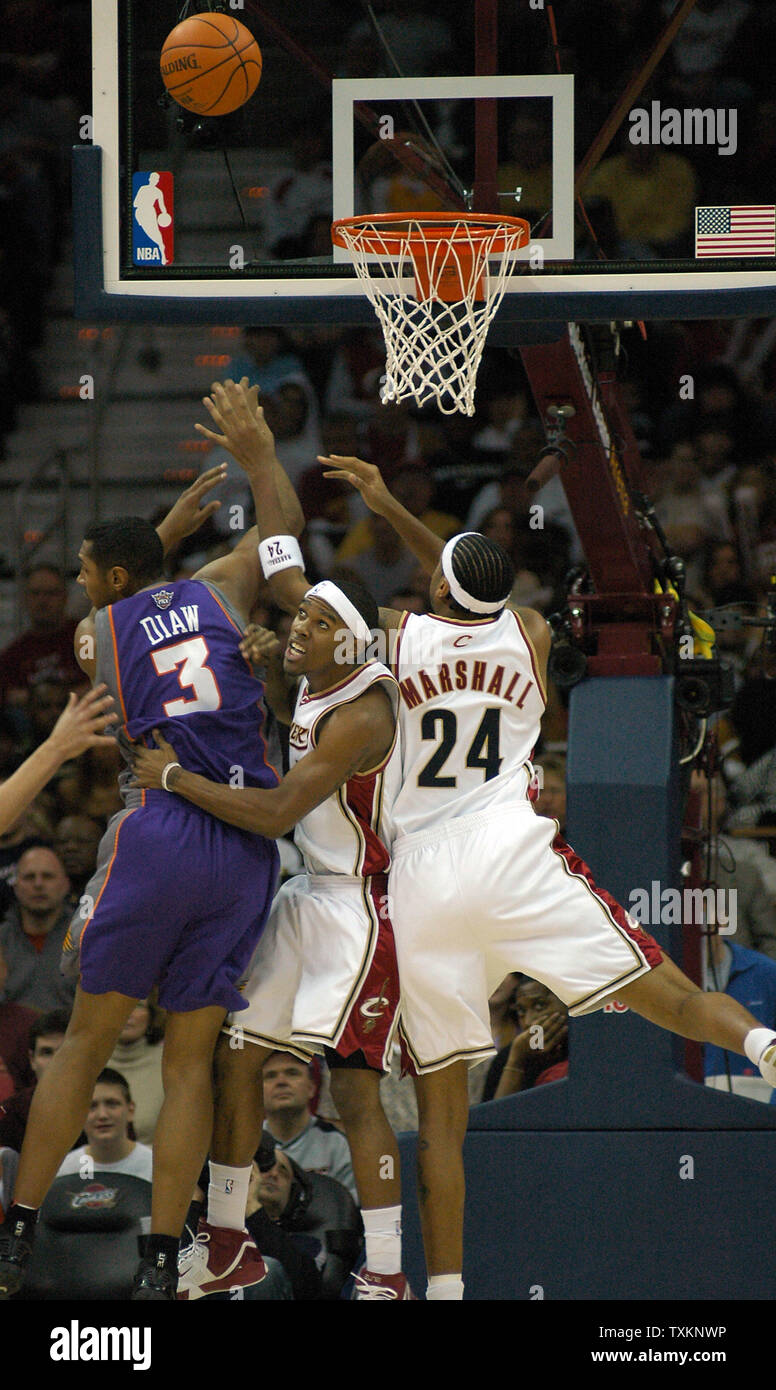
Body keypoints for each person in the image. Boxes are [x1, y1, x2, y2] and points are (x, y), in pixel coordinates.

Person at [317, 450, 776, 1300]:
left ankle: (444, 1291)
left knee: (445, 1124)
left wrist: (381, 503)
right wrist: (428, 542)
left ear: (440, 591)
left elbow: (337, 609)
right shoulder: (530, 637)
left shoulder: (399, 638)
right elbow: (473, 587)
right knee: (669, 997)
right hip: (516, 861)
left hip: (424, 883)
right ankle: (759, 1043)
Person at [130, 378, 411, 1301]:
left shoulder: (361, 715)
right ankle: (222, 1241)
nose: (298, 629)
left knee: (358, 1093)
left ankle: (385, 1275)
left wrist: (171, 778)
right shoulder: (318, 634)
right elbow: (281, 544)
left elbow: (276, 812)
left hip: (359, 904)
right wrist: (260, 457)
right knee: (237, 1056)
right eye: (301, 616)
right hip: (303, 892)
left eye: (318, 626)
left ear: (356, 646)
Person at [0, 444, 302, 1301]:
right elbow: (283, 534)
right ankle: (167, 1254)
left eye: (90, 569)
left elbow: (122, 599)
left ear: (111, 577)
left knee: (88, 1039)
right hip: (245, 849)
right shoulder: (225, 588)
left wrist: (153, 541)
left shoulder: (98, 633)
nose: (84, 581)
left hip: (163, 828)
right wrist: (260, 453)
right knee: (187, 1063)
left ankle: (18, 1231)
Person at [261, 1051, 357, 1201]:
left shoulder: (337, 1144)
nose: (281, 1082)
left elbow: (349, 1209)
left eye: (292, 1073)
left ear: (312, 1088)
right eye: (270, 1076)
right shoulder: (247, 1143)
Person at [0, 847, 75, 1011]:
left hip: (68, 1035)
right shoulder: (2, 940)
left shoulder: (86, 939)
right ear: (16, 886)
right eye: (29, 877)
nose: (38, 884)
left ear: (65, 884)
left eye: (48, 876)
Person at [56, 1067, 153, 1181]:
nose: (102, 1115)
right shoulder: (65, 1171)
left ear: (130, 1110)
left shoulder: (154, 1166)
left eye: (112, 1104)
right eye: (91, 1106)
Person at [0, 1008, 71, 1152]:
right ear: (32, 1059)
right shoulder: (10, 1114)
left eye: (65, 1052)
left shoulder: (101, 1108)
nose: (56, 1062)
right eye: (47, 1053)